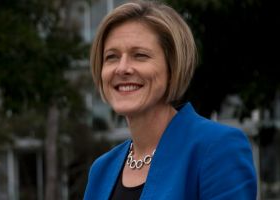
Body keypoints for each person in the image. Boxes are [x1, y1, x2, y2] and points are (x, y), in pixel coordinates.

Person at [84, 0, 257, 199]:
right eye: (112, 57)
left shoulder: (217, 148)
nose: (122, 68)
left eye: (139, 55)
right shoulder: (101, 170)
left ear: (173, 67)